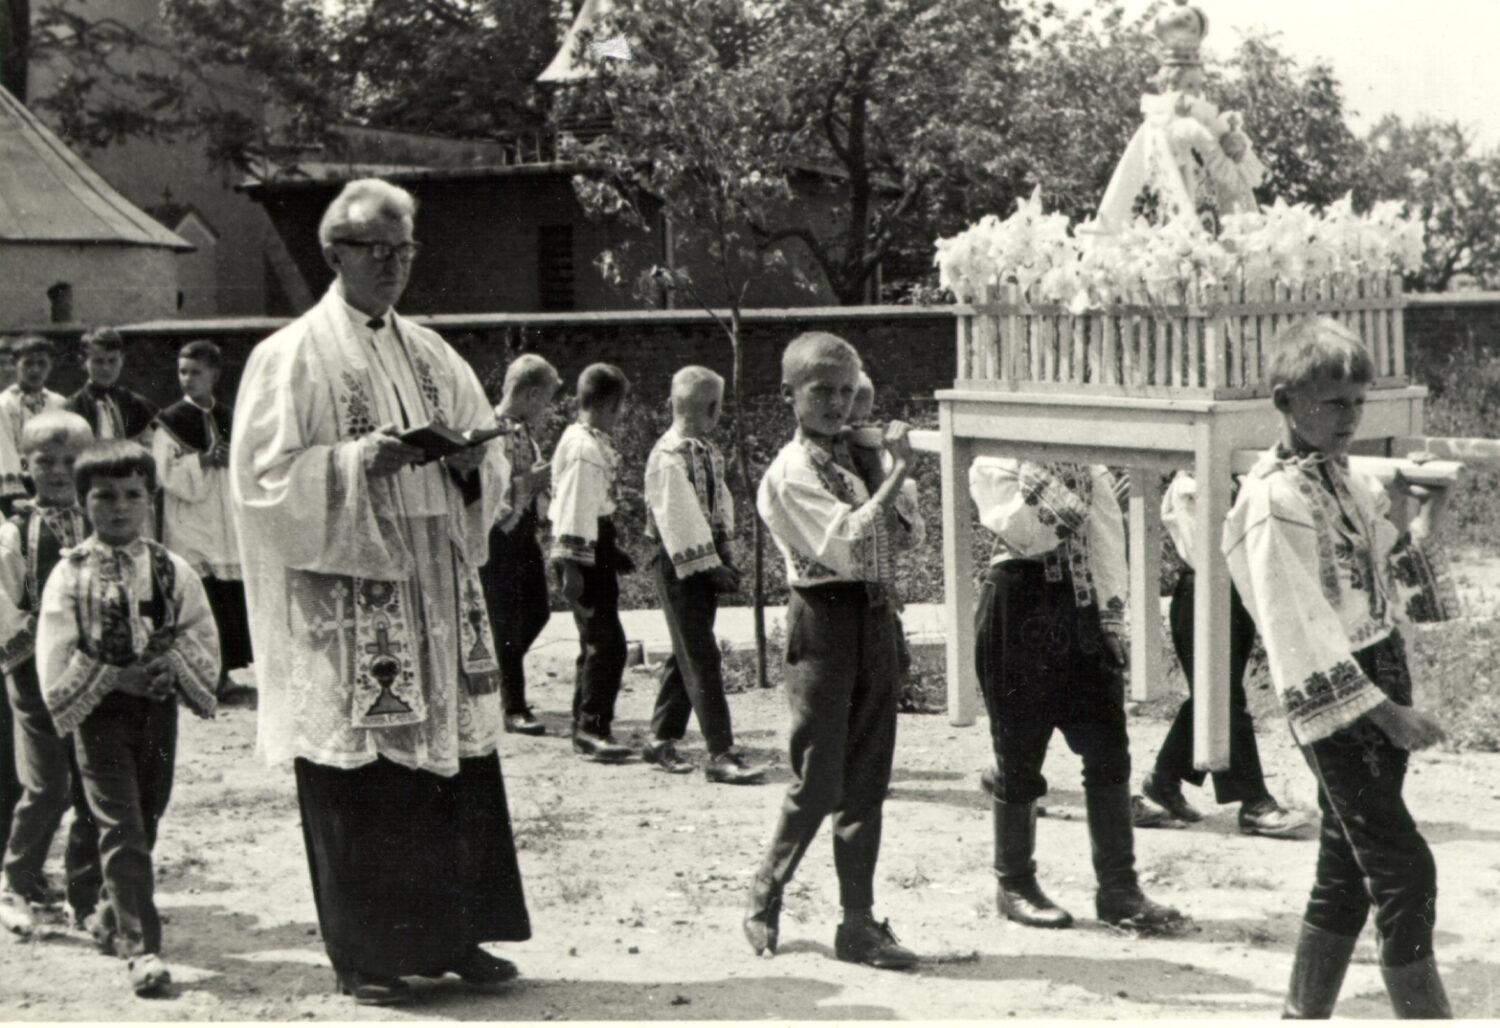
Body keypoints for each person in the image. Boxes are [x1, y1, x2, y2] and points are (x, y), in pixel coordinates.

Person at [230, 178, 530, 1007]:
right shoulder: (291, 355)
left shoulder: (433, 351)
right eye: (377, 249)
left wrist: (475, 464)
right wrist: (359, 462)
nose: (395, 264)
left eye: (405, 250)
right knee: (364, 774)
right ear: (335, 254)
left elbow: (485, 451)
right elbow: (261, 483)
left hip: (434, 583)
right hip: (349, 597)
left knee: (452, 762)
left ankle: (456, 934)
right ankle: (368, 954)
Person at [1223, 317, 1453, 1019]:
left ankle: (1302, 1013)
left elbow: (1385, 577)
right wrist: (1387, 713)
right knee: (1403, 868)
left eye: (1357, 402)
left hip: (1380, 670)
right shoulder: (1273, 499)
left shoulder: (1345, 482)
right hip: (1340, 701)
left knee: (1345, 867)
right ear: (1285, 401)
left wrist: (1429, 519)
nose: (1349, 418)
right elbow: (1299, 631)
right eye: (1332, 404)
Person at [744, 332, 920, 971]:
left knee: (869, 776)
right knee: (819, 776)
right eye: (821, 391)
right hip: (823, 619)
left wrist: (881, 469)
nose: (836, 405)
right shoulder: (789, 472)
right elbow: (848, 543)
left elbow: (907, 535)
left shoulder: (854, 459)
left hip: (874, 617)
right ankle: (769, 882)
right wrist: (894, 473)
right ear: (788, 394)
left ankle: (858, 923)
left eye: (847, 392)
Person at [970, 455, 1183, 932]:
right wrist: (1070, 486)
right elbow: (1031, 532)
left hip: (1082, 612)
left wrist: (1111, 616)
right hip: (1018, 608)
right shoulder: (994, 461)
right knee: (1019, 753)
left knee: (1109, 749)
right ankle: (1015, 884)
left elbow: (1108, 542)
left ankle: (1118, 889)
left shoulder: (1091, 471)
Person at [36, 440, 219, 996]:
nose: (120, 508)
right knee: (122, 823)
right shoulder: (71, 573)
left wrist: (170, 666)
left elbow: (200, 631)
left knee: (149, 810)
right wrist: (115, 676)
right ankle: (143, 949)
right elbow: (56, 652)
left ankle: (108, 911)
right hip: (99, 714)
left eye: (132, 495)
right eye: (105, 496)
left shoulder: (171, 567)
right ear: (84, 501)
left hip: (157, 711)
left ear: (150, 498)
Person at [1135, 471, 1310, 838]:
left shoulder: (1246, 476)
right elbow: (1216, 545)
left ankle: (1164, 780)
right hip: (1203, 592)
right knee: (1223, 697)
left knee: (1213, 696)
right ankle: (1253, 801)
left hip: (1236, 594)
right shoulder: (1191, 483)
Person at [0, 412, 101, 936]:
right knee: (48, 782)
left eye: (71, 462)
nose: (59, 472)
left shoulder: (99, 524)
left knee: (89, 782)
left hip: (92, 673)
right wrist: (30, 651)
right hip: (33, 673)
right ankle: (15, 878)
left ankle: (82, 888)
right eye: (46, 462)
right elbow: (4, 607)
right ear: (24, 467)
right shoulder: (13, 532)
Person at [640, 366, 766, 784]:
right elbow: (680, 520)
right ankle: (720, 751)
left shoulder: (706, 451)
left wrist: (725, 554)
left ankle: (660, 737)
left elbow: (719, 504)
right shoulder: (668, 457)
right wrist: (712, 567)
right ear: (712, 407)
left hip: (703, 562)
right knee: (702, 656)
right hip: (680, 565)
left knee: (687, 652)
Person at [153, 341, 253, 702]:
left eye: (196, 372)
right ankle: (194, 676)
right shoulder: (170, 421)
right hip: (190, 520)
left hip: (224, 520)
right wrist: (203, 462)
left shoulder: (229, 416)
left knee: (227, 599)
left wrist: (232, 462)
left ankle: (223, 674)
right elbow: (165, 473)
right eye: (183, 371)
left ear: (215, 374)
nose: (188, 379)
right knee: (199, 596)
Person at [549, 362, 636, 762]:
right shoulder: (585, 450)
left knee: (595, 641)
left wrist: (610, 548)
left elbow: (592, 506)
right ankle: (591, 728)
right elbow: (573, 507)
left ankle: (584, 721)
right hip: (580, 552)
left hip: (592, 545)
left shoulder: (582, 438)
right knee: (608, 643)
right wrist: (571, 566)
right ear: (611, 405)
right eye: (620, 408)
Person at [479, 354, 561, 737]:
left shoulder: (520, 429)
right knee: (507, 619)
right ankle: (513, 706)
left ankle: (497, 677)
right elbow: (489, 489)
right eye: (545, 398)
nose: (546, 408)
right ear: (529, 394)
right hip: (498, 535)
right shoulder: (491, 429)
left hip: (522, 531)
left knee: (537, 611)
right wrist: (530, 481)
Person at [0, 337, 68, 511]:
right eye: (28, 364)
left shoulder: (59, 403)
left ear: (50, 365)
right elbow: (5, 450)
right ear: (15, 364)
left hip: (54, 483)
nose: (35, 370)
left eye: (42, 364)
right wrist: (17, 493)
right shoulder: (4, 404)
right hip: (17, 488)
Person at [65, 328, 158, 443]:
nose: (106, 368)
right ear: (83, 362)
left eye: (112, 360)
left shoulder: (140, 405)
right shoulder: (72, 408)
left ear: (122, 360)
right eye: (98, 361)